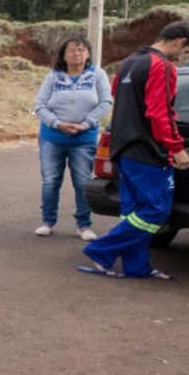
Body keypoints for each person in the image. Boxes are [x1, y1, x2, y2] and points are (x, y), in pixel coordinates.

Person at [79, 20, 189, 281]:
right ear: (180, 41)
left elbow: (119, 100)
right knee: (156, 211)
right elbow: (160, 112)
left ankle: (137, 266)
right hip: (148, 151)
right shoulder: (162, 66)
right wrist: (176, 147)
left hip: (124, 148)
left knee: (133, 213)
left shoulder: (129, 62)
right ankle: (101, 250)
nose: (182, 57)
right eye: (186, 51)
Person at [32, 34, 112, 241]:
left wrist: (85, 124)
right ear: (64, 55)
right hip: (52, 138)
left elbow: (106, 102)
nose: (77, 53)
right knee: (50, 181)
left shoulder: (97, 75)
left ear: (88, 54)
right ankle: (47, 222)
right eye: (72, 50)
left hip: (83, 139)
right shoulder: (53, 77)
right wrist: (57, 124)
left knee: (82, 182)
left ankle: (84, 225)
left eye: (81, 49)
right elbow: (39, 106)